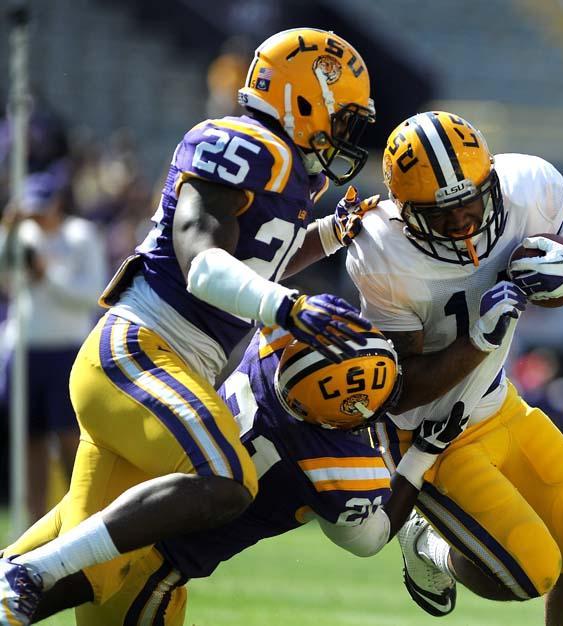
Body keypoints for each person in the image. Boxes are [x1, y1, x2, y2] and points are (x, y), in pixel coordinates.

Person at [0, 27, 379, 625]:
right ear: (304, 99)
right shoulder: (246, 144)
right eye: (342, 117)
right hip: (139, 352)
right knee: (226, 479)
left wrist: (332, 233)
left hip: (162, 368)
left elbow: (261, 258)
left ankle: (19, 576)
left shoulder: (295, 175)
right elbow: (203, 264)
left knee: (103, 584)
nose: (344, 135)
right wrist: (290, 308)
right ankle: (28, 570)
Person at [345, 111, 563, 625]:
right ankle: (431, 547)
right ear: (404, 214)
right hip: (430, 434)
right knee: (529, 570)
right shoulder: (383, 254)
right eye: (438, 214)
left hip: (498, 404)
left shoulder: (528, 188)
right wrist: (478, 340)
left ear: (492, 180)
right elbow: (398, 391)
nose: (460, 223)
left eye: (467, 202)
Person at [5, 322, 461, 625]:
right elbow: (371, 539)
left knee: (9, 586)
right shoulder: (336, 467)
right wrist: (421, 454)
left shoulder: (271, 346)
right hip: (143, 572)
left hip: (112, 499)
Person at [0, 170, 108, 521]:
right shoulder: (22, 235)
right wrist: (8, 231)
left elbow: (93, 294)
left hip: (67, 350)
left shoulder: (80, 236)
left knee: (68, 439)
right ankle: (33, 522)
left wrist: (47, 276)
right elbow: (5, 277)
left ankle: (79, 515)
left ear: (57, 204)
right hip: (25, 348)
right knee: (29, 440)